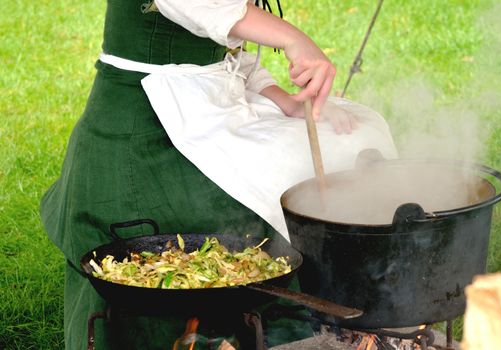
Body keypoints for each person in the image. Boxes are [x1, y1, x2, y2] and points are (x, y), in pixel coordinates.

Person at [40, 1, 397, 349]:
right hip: (150, 121)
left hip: (211, 104)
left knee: (355, 136)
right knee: (280, 182)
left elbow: (226, 51)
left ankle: (357, 312)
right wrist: (293, 38)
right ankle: (280, 327)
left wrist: (279, 99)